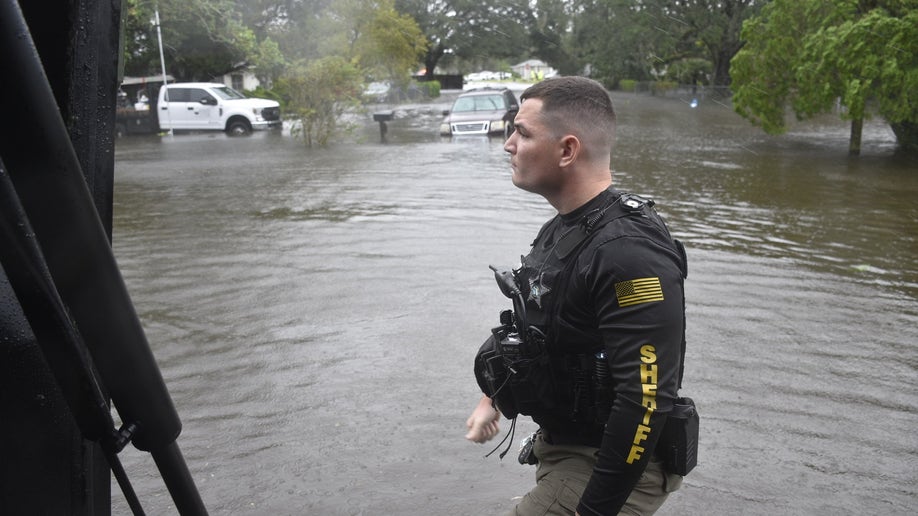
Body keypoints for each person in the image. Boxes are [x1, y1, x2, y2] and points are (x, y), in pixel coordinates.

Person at [466, 76, 688, 516]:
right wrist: (491, 399)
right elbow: (538, 329)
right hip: (566, 448)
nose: (508, 144)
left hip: (612, 466)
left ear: (567, 150)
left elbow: (645, 402)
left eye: (522, 132)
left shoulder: (629, 253)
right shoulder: (564, 228)